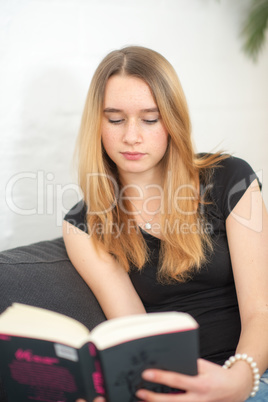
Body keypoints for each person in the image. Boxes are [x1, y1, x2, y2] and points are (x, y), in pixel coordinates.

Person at [63, 46, 268, 401]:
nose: (131, 136)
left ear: (172, 119)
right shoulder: (84, 224)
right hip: (175, 389)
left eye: (149, 118)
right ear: (96, 122)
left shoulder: (231, 178)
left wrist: (238, 381)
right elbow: (140, 337)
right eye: (115, 119)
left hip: (254, 373)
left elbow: (261, 312)